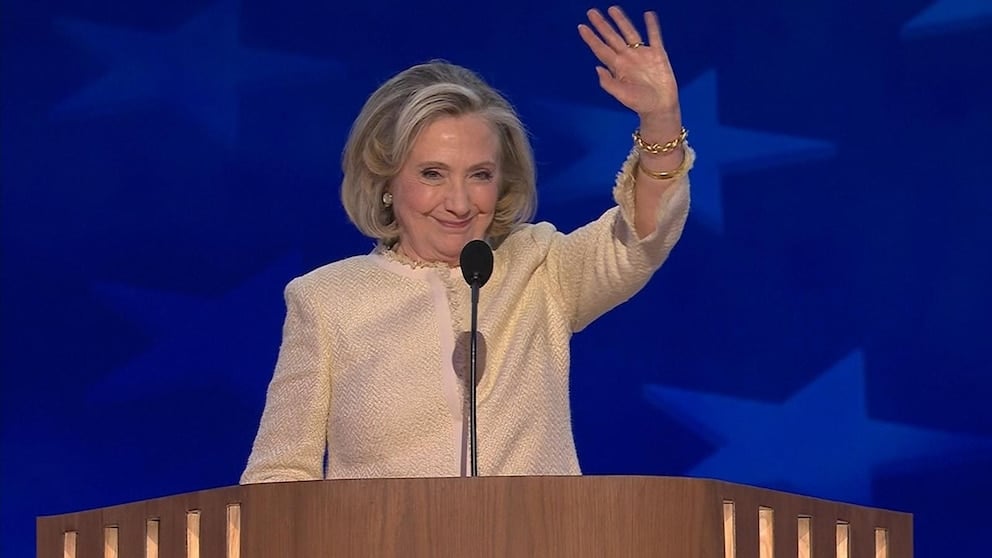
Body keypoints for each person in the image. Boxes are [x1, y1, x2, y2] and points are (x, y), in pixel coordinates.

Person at [241, 5, 693, 482]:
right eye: (432, 174)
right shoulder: (326, 300)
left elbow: (641, 239)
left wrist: (660, 120)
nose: (458, 202)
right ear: (386, 180)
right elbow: (281, 472)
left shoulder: (540, 267)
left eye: (479, 175)